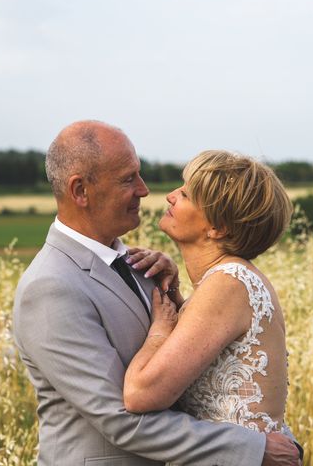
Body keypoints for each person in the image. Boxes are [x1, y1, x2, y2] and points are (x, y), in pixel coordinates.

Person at [12, 121, 301, 465]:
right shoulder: (50, 286)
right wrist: (254, 449)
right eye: (128, 179)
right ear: (80, 191)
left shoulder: (144, 268)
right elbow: (121, 417)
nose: (146, 190)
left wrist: (174, 299)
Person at [123, 151, 299, 446]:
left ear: (218, 227)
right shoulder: (227, 281)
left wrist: (160, 331)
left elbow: (140, 394)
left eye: (186, 194)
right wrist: (174, 293)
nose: (170, 196)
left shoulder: (228, 284)